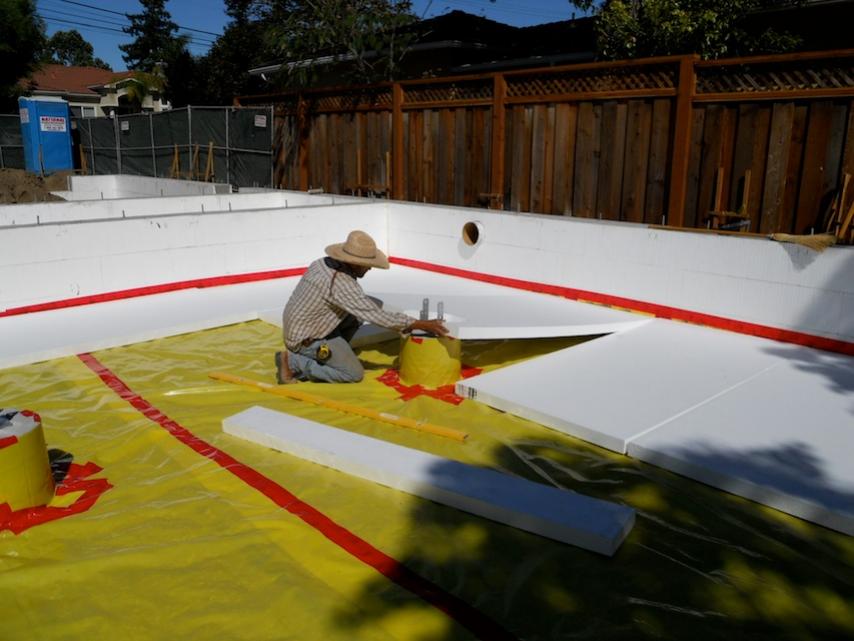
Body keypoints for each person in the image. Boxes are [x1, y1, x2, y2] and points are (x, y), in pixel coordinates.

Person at [276, 229, 448, 384]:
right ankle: (293, 362)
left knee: (359, 312)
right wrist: (418, 324)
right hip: (306, 340)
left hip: (298, 327)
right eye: (368, 265)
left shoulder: (323, 263)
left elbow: (361, 306)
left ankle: (333, 353)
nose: (370, 269)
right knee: (353, 373)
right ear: (355, 263)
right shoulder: (341, 283)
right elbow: (375, 315)